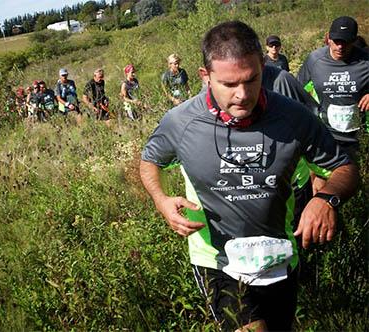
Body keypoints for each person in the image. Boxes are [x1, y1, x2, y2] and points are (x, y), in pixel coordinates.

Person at [140, 21, 358, 332]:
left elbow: (345, 168)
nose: (243, 95)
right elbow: (149, 161)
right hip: (218, 262)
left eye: (251, 80)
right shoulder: (181, 122)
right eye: (229, 85)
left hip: (281, 259)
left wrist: (326, 199)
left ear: (262, 67)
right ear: (206, 77)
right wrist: (160, 200)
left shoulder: (293, 117)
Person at [297, 16, 368, 194]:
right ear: (328, 37)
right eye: (336, 41)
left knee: (354, 186)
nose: (340, 47)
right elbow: (298, 89)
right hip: (325, 134)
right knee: (321, 187)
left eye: (346, 42)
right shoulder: (315, 60)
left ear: (354, 40)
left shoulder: (366, 61)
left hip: (357, 138)